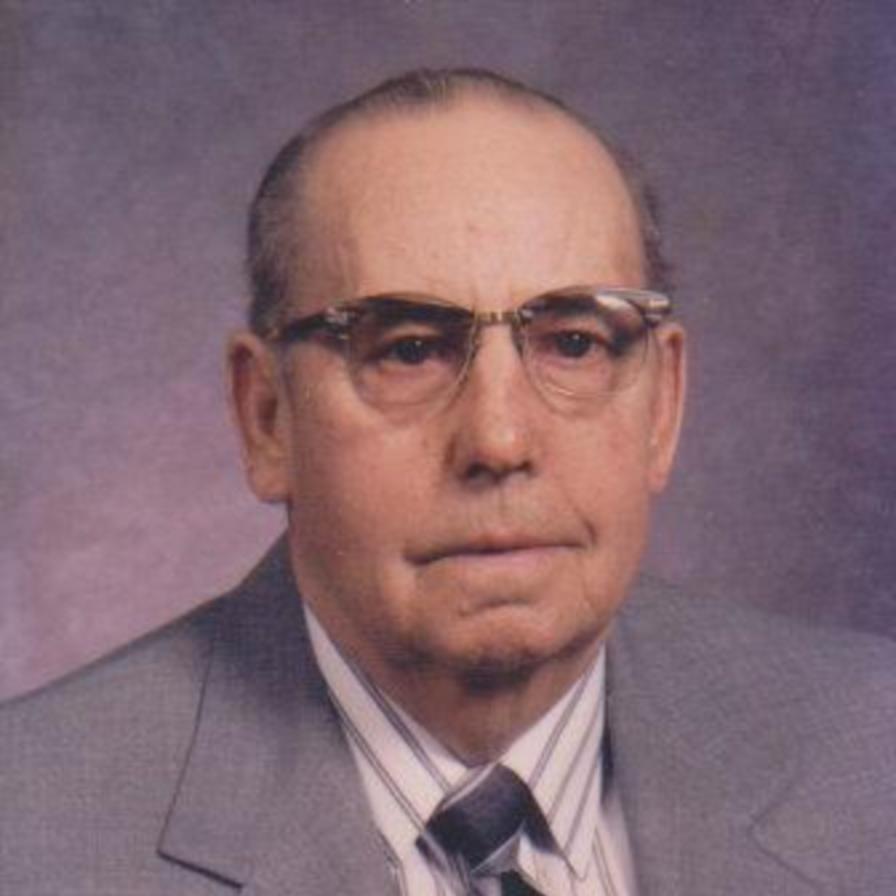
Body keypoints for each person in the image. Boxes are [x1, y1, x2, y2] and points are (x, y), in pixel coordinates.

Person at [1, 68, 894, 896]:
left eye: (573, 342)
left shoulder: (873, 751)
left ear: (661, 406)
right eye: (408, 350)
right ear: (266, 417)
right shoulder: (32, 832)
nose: (500, 440)